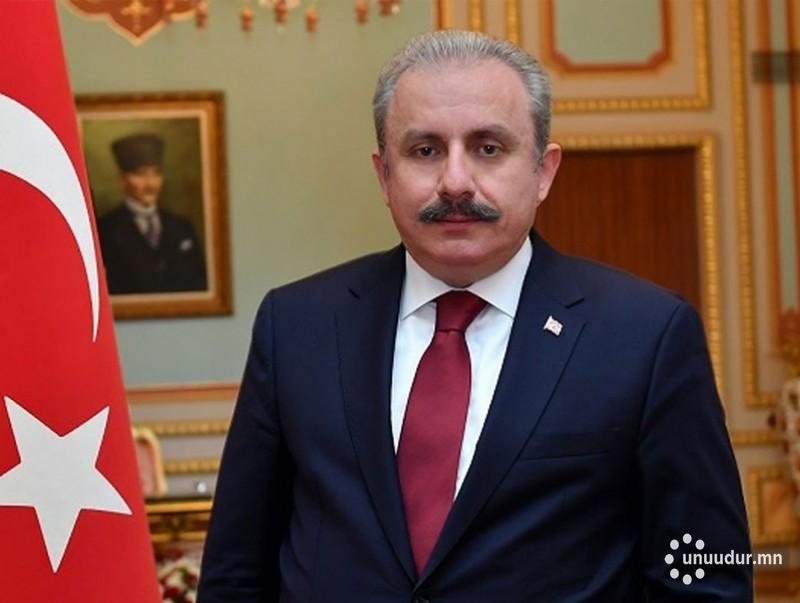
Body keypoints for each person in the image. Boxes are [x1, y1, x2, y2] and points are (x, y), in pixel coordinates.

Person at [199, 31, 752, 602]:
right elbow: (235, 573)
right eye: (425, 151)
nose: (456, 182)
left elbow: (708, 575)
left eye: (488, 148)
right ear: (384, 176)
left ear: (543, 171)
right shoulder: (297, 327)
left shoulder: (646, 335)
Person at [97, 132, 207, 294]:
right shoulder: (106, 229)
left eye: (156, 173)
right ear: (122, 179)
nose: (150, 184)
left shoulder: (182, 227)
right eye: (140, 174)